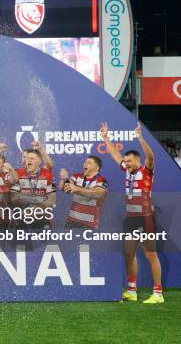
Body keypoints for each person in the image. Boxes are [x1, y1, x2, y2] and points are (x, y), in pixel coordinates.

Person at [100, 122, 163, 304]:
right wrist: (105, 138)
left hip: (146, 218)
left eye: (129, 161)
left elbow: (151, 156)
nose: (126, 164)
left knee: (151, 255)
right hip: (131, 219)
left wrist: (140, 138)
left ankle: (158, 294)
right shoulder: (127, 171)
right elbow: (114, 154)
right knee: (129, 254)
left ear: (137, 161)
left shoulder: (147, 170)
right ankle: (132, 290)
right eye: (125, 162)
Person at [10, 149, 56, 229]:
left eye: (32, 158)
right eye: (27, 158)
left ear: (39, 162)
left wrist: (25, 197)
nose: (28, 160)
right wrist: (38, 200)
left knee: (44, 241)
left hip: (42, 218)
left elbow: (51, 201)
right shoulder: (17, 173)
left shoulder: (47, 174)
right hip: (22, 219)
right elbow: (14, 198)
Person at [59, 156, 108, 229]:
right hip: (71, 222)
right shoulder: (77, 176)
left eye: (89, 162)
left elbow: (99, 194)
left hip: (89, 225)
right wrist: (64, 179)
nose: (85, 164)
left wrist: (77, 189)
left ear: (97, 167)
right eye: (85, 162)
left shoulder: (101, 180)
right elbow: (65, 188)